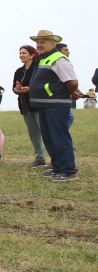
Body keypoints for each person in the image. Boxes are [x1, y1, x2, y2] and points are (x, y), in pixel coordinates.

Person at [29, 30, 84, 181]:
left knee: (59, 137)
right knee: (50, 138)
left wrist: (68, 94)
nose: (39, 45)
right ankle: (58, 167)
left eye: (43, 42)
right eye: (38, 42)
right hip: (46, 105)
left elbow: (72, 82)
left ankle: (68, 171)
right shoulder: (44, 59)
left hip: (56, 105)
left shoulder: (58, 59)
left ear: (53, 44)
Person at [12, 45, 46, 167]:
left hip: (38, 105)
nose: (21, 55)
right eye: (20, 53)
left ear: (32, 54)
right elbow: (14, 87)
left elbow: (43, 85)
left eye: (24, 53)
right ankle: (39, 158)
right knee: (34, 134)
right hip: (25, 106)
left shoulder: (39, 69)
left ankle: (55, 158)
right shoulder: (19, 71)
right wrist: (17, 90)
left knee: (45, 132)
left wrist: (30, 89)